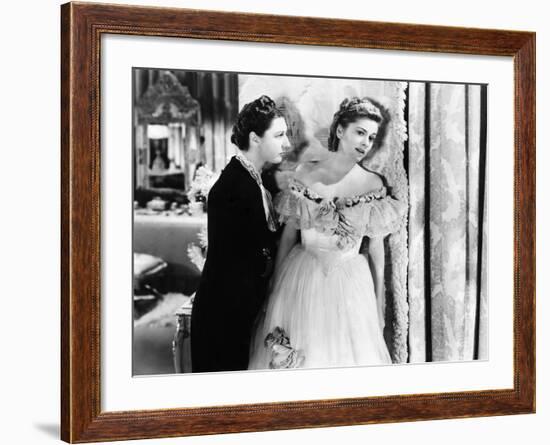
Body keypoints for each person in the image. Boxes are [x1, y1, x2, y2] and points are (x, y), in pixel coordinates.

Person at [249, 97, 406, 370]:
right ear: (340, 130)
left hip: (351, 280)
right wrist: (274, 285)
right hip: (301, 274)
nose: (365, 143)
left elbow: (377, 252)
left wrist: (379, 302)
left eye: (371, 137)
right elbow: (288, 237)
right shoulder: (306, 173)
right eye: (360, 132)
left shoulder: (372, 183)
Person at [191, 95, 290, 372]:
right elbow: (237, 264)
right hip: (222, 317)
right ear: (255, 138)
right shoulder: (233, 187)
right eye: (279, 135)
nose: (287, 143)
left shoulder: (252, 179)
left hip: (235, 311)